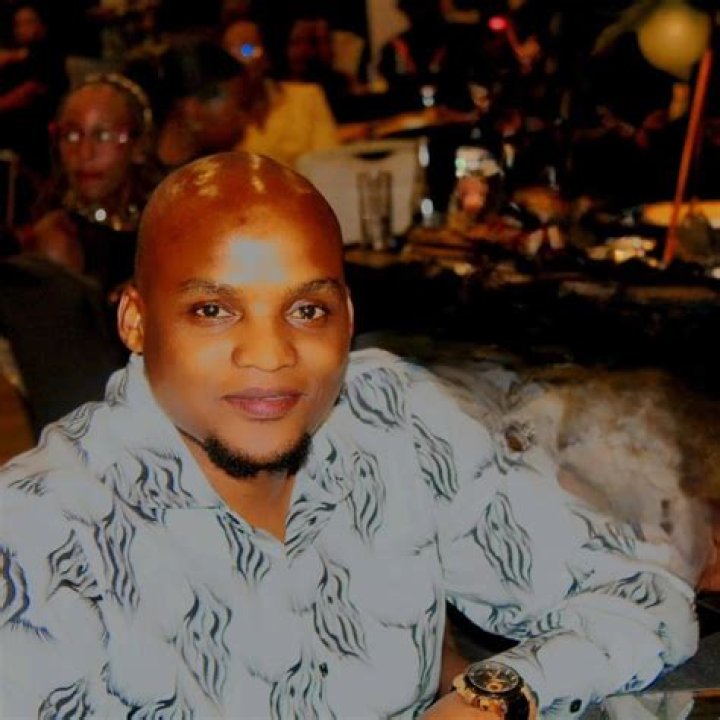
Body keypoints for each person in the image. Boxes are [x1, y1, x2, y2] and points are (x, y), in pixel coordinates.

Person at [0, 150, 698, 718]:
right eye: (213, 310)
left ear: (348, 317)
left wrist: (495, 697)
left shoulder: (393, 420)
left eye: (307, 310)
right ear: (136, 321)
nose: (270, 354)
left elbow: (643, 593)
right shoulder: (43, 535)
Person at [221, 17, 340, 168]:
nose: (237, 61)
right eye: (229, 53)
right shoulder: (219, 118)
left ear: (267, 57)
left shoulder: (307, 97)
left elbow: (329, 163)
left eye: (247, 50)